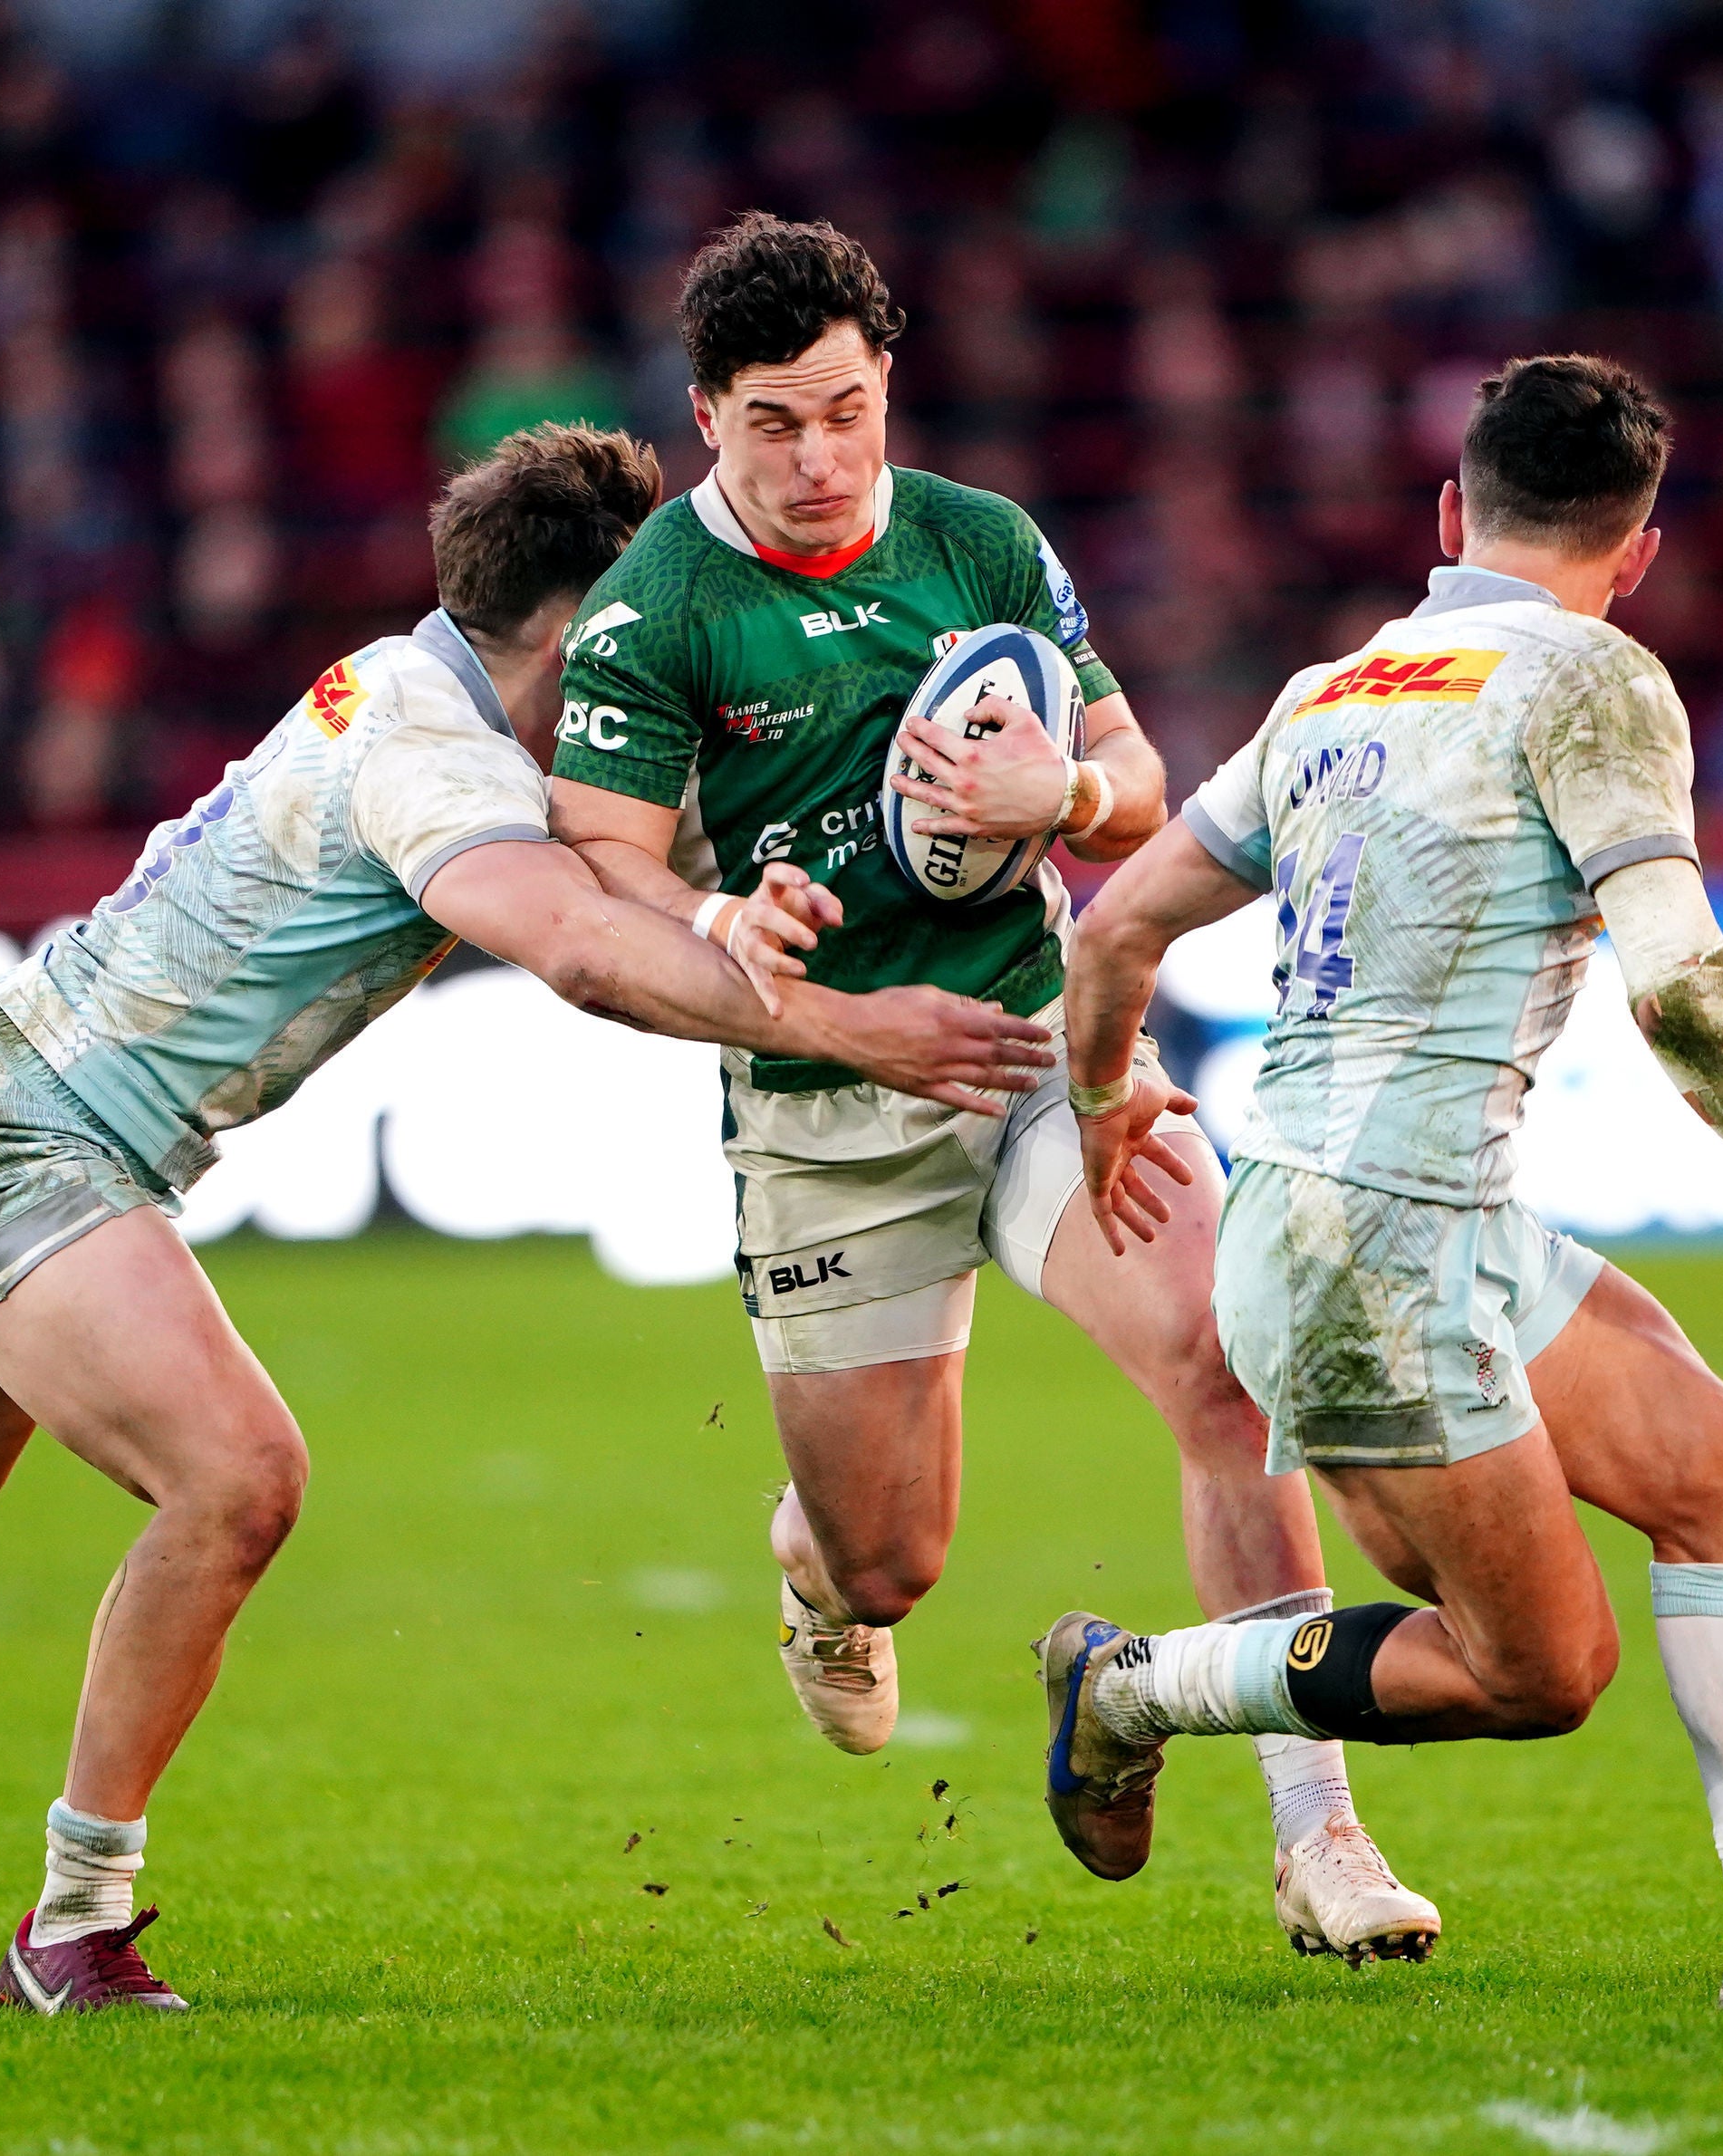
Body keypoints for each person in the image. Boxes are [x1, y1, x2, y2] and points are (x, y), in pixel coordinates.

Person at [0, 424, 1052, 2014]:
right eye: (642, 620)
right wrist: (845, 1025)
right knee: (237, 1478)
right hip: (22, 1123)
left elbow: (655, 870)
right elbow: (585, 947)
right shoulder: (425, 744)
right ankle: (72, 1926)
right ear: (575, 625)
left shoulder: (462, 713)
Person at [1037, 355, 1723, 2007]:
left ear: (1449, 514)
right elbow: (1684, 986)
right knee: (1538, 1670)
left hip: (1388, 1221)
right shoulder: (1596, 683)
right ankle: (1133, 1689)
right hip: (1381, 1260)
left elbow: (1118, 923)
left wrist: (1106, 1094)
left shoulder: (1327, 691)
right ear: (1639, 552)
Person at [546, 213, 1432, 1964]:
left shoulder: (980, 540)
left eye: (849, 410)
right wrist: (719, 913)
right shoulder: (656, 603)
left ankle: (1319, 1835)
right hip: (824, 1110)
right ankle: (818, 1578)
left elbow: (1127, 766)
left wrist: (1071, 804)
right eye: (774, 423)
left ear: (890, 388)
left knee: (1225, 1357)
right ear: (707, 414)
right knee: (892, 1560)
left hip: (1043, 1049)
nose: (820, 457)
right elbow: (596, 861)